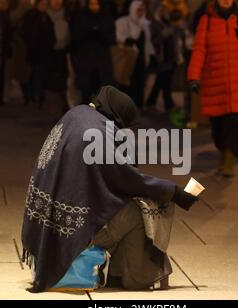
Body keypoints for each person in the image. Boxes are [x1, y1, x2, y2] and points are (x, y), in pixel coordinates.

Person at [21, 86, 198, 292]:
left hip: (44, 228)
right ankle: (134, 278)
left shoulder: (76, 114)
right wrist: (174, 192)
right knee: (140, 210)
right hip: (68, 232)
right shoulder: (98, 131)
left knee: (121, 204)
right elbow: (127, 178)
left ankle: (116, 271)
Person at [188, 0, 238, 177]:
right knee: (219, 126)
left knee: (236, 122)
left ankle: (230, 157)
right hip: (214, 80)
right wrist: (193, 76)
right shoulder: (206, 20)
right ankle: (224, 151)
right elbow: (199, 49)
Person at [70, 0, 115, 103]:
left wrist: (99, 33)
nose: (94, 7)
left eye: (96, 4)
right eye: (91, 4)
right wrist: (89, 32)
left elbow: (111, 38)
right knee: (86, 94)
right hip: (86, 62)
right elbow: (76, 37)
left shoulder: (106, 17)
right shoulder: (81, 17)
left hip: (102, 63)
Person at [116, 1, 154, 109]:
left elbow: (148, 44)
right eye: (138, 10)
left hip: (141, 61)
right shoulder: (123, 22)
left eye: (142, 10)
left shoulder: (145, 25)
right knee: (126, 85)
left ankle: (137, 109)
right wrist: (126, 40)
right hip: (128, 60)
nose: (140, 13)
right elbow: (117, 35)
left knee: (139, 85)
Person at [21, 0, 56, 107]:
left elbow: (50, 34)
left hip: (44, 52)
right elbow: (26, 32)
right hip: (34, 51)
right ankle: (33, 95)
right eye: (42, 4)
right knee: (33, 74)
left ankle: (38, 96)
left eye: (45, 4)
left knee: (39, 74)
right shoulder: (31, 15)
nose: (44, 6)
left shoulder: (46, 17)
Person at [145, 4, 178, 111]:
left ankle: (152, 102)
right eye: (161, 11)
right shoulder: (153, 24)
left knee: (161, 81)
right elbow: (153, 41)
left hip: (170, 57)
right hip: (161, 57)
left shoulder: (167, 23)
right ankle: (168, 104)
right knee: (164, 80)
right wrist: (163, 35)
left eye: (165, 11)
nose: (164, 13)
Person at [47, 0, 71, 113]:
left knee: (64, 79)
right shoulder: (45, 15)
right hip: (49, 52)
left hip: (64, 51)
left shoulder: (68, 15)